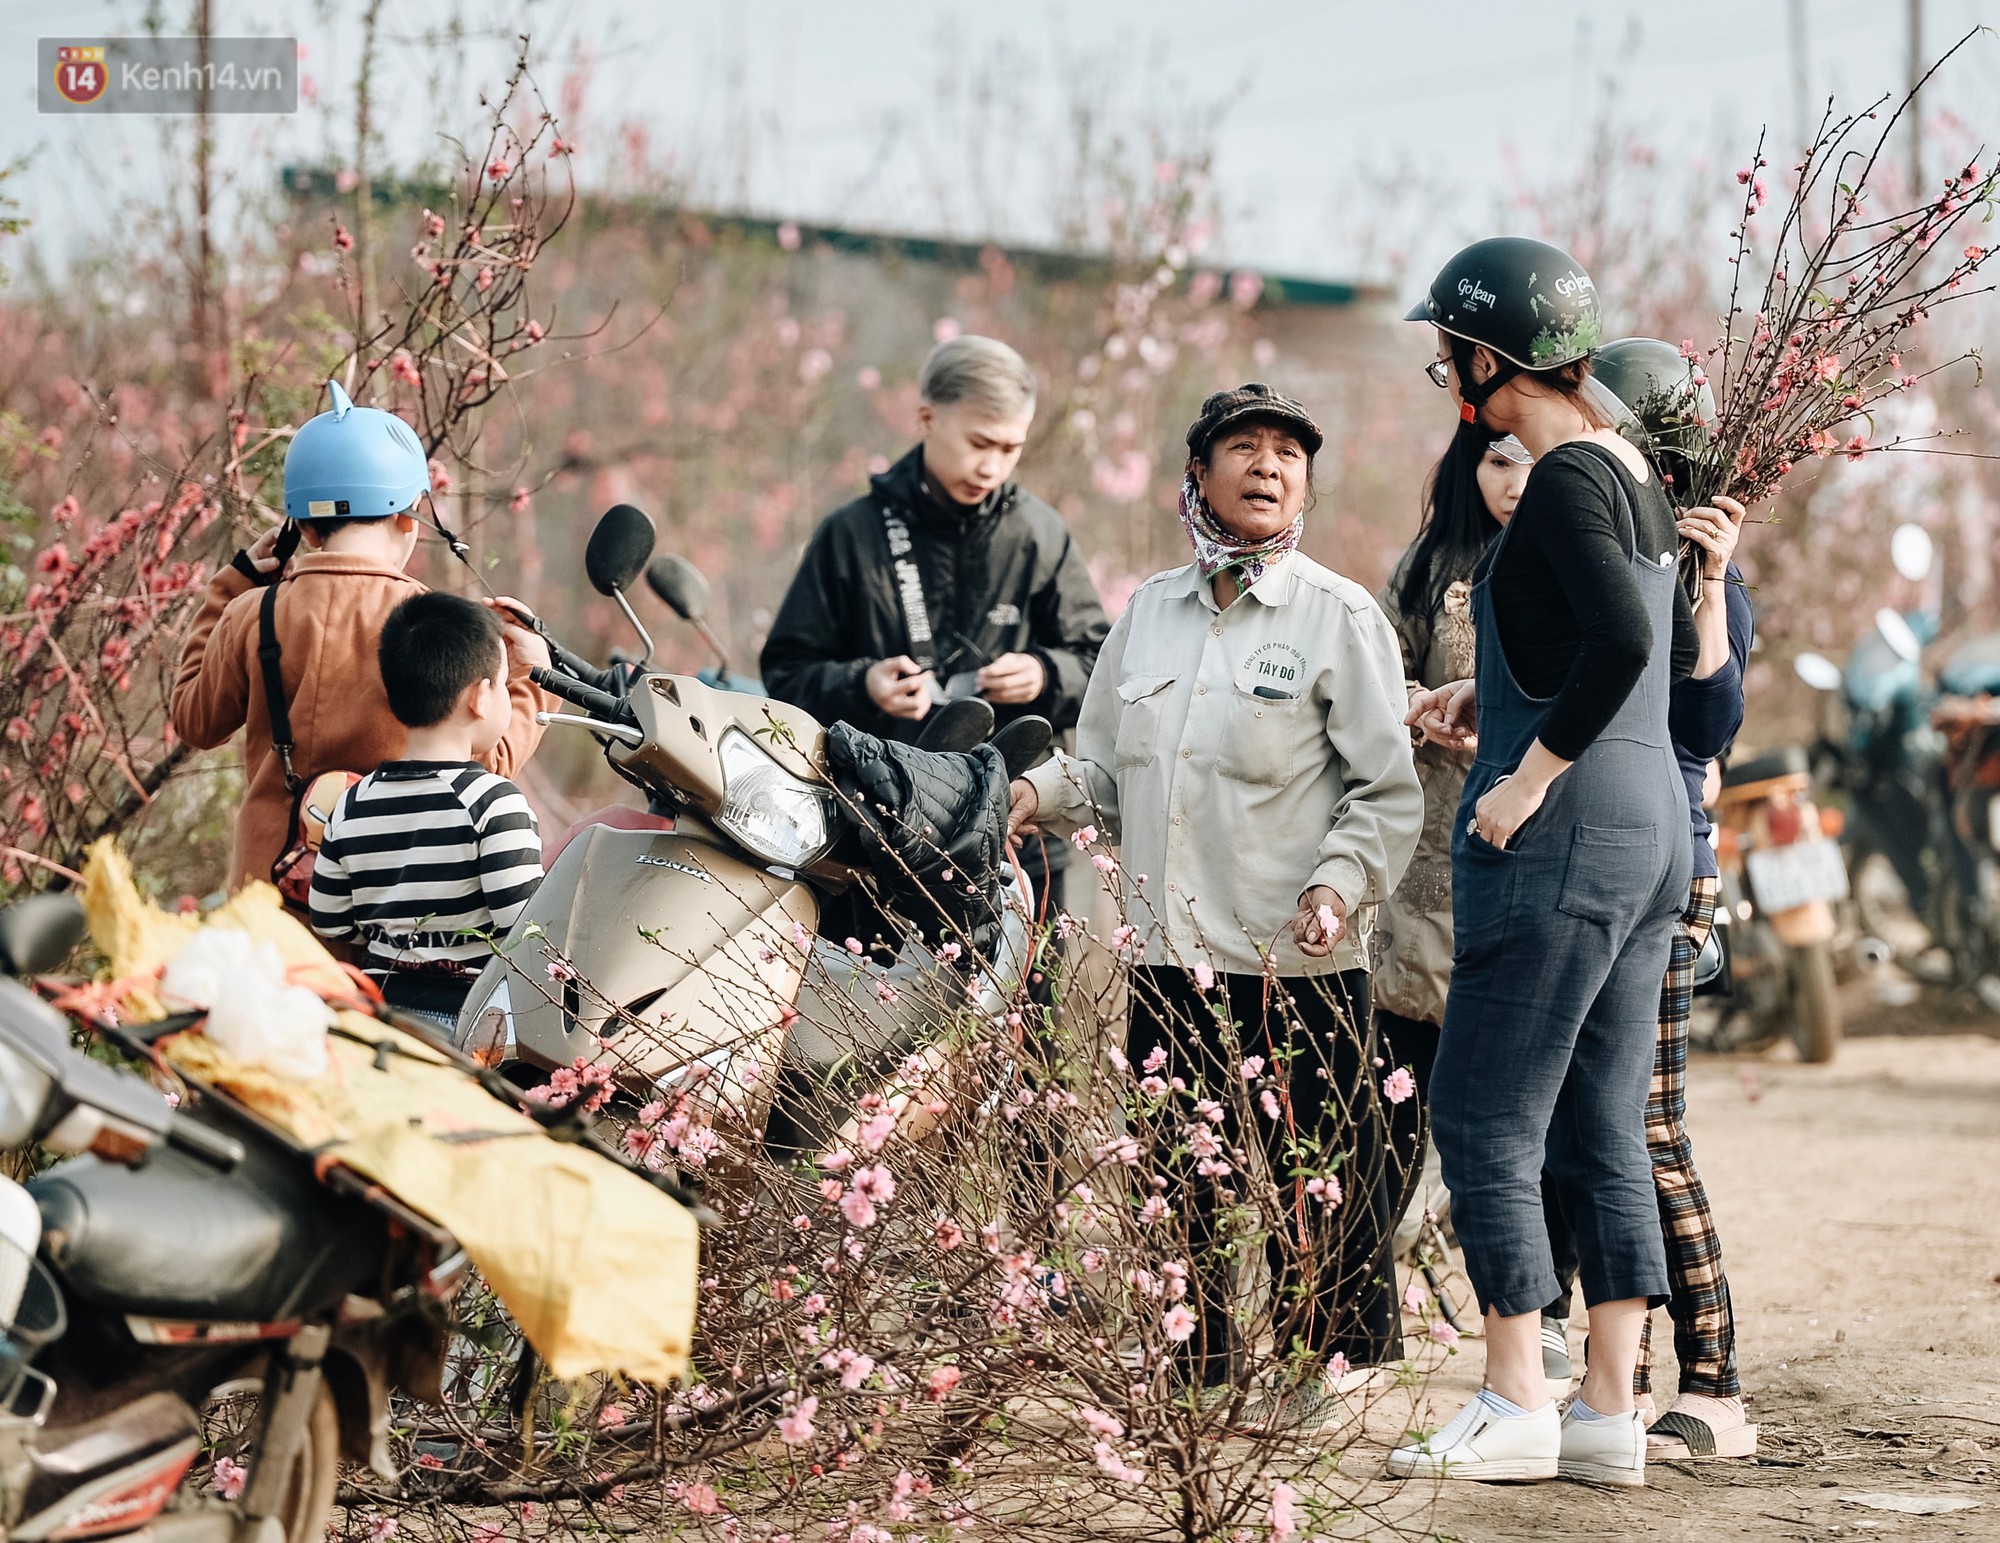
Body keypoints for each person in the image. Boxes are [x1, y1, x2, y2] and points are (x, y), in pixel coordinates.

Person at [1008, 383, 1423, 1433]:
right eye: (1243, 447)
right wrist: (1032, 795)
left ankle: (1321, 1369)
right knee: (1178, 1176)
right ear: (1197, 475)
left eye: (1287, 452)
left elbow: (1383, 791)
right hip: (1168, 952)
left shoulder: (1338, 617)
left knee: (1311, 1179)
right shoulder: (1149, 612)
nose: (1267, 466)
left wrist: (1336, 885)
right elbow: (1098, 767)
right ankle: (1196, 1369)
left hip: (1296, 956)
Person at [1384, 239, 1699, 1490]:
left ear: (1486, 357)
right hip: (1649, 827)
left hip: (1560, 837)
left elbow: (1623, 640)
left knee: (1478, 1110)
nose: (1443, 370)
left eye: (1449, 349)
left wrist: (1523, 776)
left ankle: (1514, 1394)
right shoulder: (1634, 472)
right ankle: (1607, 1413)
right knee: (1600, 1122)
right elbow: (1664, 642)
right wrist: (1493, 695)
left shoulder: (1562, 472)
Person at [1539, 337, 1759, 1461]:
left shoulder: (1696, 571)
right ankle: (1584, 1380)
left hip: (1664, 868)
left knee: (1646, 1126)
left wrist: (1711, 581)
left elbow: (1706, 727)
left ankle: (1715, 1383)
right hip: (1572, 857)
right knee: (1569, 1126)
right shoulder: (1584, 544)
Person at [760, 335, 1109, 927]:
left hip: (1016, 825)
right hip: (878, 826)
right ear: (927, 418)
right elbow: (785, 672)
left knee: (1025, 1016)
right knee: (868, 1019)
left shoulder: (1039, 533)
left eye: (1011, 448)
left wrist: (1045, 674)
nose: (993, 466)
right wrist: (862, 683)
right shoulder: (852, 534)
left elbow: (1100, 665)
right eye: (979, 443)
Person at [171, 380, 549, 896]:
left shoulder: (250, 613)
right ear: (409, 514)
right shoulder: (430, 626)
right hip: (380, 910)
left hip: (262, 915)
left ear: (302, 528)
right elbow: (492, 759)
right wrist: (529, 680)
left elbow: (196, 722)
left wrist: (233, 586)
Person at [1374, 425, 1531, 1235]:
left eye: (1530, 462)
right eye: (1498, 461)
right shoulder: (1432, 568)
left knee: (1518, 1075)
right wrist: (1423, 710)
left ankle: (1521, 1281)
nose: (1514, 480)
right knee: (1408, 1055)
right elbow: (1379, 672)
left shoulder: (1576, 558)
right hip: (1435, 843)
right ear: (1470, 467)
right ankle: (1378, 1254)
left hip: (1534, 838)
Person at [309, 593, 545, 1026]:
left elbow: (330, 921)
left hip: (374, 1014)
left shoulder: (352, 803)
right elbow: (527, 926)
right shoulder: (494, 803)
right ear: (481, 697)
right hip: (466, 1018)